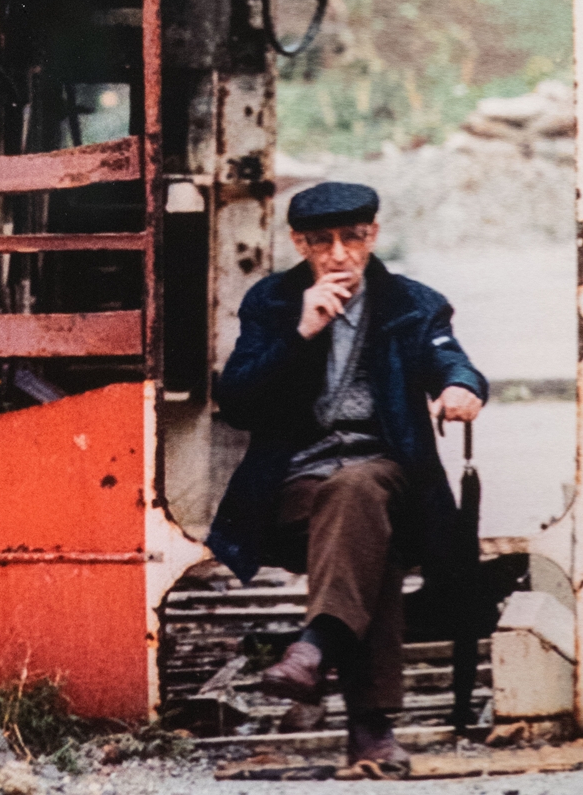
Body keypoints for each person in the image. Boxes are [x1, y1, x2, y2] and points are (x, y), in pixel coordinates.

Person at [206, 181, 487, 777]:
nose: (338, 254)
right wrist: (299, 334)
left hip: (387, 476)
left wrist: (462, 387)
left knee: (360, 490)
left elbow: (447, 356)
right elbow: (236, 402)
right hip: (296, 485)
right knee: (365, 538)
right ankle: (371, 732)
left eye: (352, 238)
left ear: (373, 236)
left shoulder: (413, 302)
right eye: (321, 242)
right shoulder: (273, 302)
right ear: (298, 244)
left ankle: (312, 650)